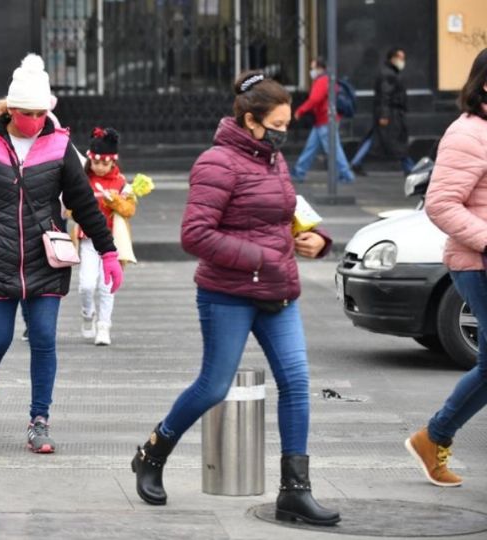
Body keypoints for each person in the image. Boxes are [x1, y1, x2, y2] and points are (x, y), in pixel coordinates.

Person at [129, 71, 340, 527]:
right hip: (227, 293)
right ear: (250, 120)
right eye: (278, 124)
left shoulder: (271, 159)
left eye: (289, 124)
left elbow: (287, 210)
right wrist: (262, 257)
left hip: (278, 291)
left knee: (296, 384)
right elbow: (195, 234)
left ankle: (295, 493)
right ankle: (153, 452)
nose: (285, 132)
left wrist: (317, 238)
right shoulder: (216, 163)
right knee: (214, 386)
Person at [0, 54, 123, 453]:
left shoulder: (59, 145)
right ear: (10, 110)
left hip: (47, 259)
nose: (34, 120)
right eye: (26, 113)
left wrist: (107, 251)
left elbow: (84, 201)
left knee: (43, 338)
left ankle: (39, 420)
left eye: (41, 113)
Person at [407, 47, 487, 489]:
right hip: (477, 264)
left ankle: (433, 436)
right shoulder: (467, 133)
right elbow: (440, 203)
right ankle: (433, 436)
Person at [77, 127, 134, 346]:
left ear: (112, 162)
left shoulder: (121, 183)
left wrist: (116, 201)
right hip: (88, 239)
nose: (100, 167)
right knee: (86, 284)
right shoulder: (83, 180)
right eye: (96, 162)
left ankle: (104, 325)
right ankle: (87, 312)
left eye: (105, 163)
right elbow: (71, 208)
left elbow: (129, 209)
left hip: (113, 240)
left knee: (107, 285)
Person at [350, 47, 414, 175]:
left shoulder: (390, 73)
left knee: (376, 139)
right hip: (391, 114)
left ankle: (356, 162)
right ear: (392, 58)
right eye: (400, 58)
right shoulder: (389, 74)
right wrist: (384, 115)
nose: (402, 61)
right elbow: (385, 95)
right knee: (396, 143)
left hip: (388, 113)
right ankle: (409, 167)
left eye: (403, 58)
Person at [291, 58, 355, 183]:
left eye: (312, 68)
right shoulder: (328, 79)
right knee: (311, 147)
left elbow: (315, 99)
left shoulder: (322, 81)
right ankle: (299, 172)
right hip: (324, 120)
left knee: (333, 149)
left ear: (320, 68)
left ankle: (346, 174)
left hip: (325, 120)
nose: (311, 71)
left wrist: (300, 110)